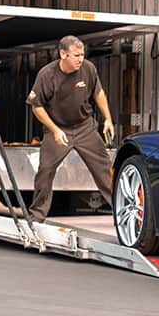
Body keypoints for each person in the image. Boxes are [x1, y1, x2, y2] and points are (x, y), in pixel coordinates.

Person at [25, 35, 115, 222]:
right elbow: (36, 106)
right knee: (45, 171)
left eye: (82, 54)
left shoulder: (88, 69)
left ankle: (122, 210)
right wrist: (55, 130)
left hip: (85, 128)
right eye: (76, 55)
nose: (80, 59)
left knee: (105, 170)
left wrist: (108, 118)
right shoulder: (47, 75)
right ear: (63, 54)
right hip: (57, 128)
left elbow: (98, 93)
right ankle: (36, 217)